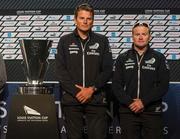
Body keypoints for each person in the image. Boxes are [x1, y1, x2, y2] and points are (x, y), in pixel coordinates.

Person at [55, 3, 113, 139]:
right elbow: (60, 71)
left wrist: (91, 90)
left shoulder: (102, 41)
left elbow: (107, 70)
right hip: (72, 99)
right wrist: (77, 92)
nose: (85, 21)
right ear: (75, 20)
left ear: (93, 21)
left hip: (96, 98)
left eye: (89, 18)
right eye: (82, 18)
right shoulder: (64, 41)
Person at [112, 22, 169, 139]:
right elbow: (116, 85)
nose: (141, 37)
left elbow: (163, 85)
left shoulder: (159, 58)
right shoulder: (122, 58)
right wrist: (130, 103)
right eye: (137, 34)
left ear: (150, 36)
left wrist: (143, 102)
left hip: (152, 111)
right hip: (128, 111)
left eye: (144, 34)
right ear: (132, 37)